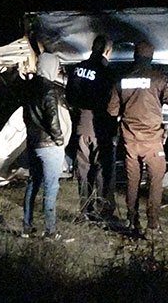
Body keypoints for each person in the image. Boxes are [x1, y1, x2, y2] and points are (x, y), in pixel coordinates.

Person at [107, 41, 168, 233]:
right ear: (151, 57)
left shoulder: (122, 79)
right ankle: (152, 224)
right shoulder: (158, 78)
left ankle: (132, 220)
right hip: (152, 142)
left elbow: (111, 110)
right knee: (155, 181)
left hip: (130, 140)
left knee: (132, 181)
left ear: (135, 56)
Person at [66, 35, 117, 220]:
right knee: (103, 167)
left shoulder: (78, 68)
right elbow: (112, 102)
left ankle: (85, 209)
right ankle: (105, 211)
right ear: (107, 51)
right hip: (100, 124)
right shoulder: (106, 72)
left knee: (83, 166)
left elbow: (69, 96)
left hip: (81, 122)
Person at [21, 51, 71, 240]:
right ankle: (50, 230)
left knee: (34, 182)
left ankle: (27, 226)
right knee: (51, 187)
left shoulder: (28, 87)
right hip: (49, 145)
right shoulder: (49, 90)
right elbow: (53, 119)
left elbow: (27, 117)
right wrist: (59, 139)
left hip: (33, 142)